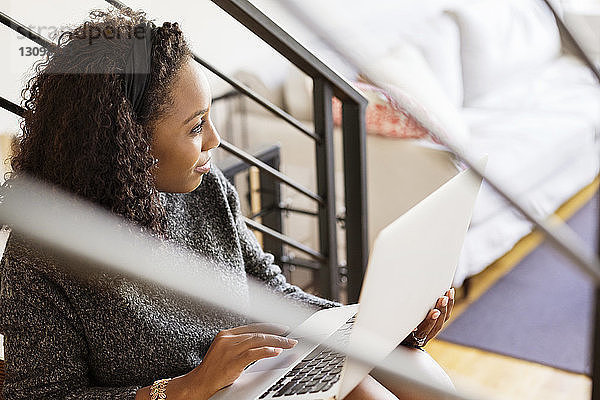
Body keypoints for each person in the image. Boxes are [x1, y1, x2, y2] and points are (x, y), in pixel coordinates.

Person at [0, 7, 455, 400]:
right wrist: (187, 387)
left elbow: (272, 292)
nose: (215, 142)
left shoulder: (205, 191)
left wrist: (378, 327)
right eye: (196, 126)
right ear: (125, 142)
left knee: (393, 359)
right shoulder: (37, 260)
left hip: (259, 382)